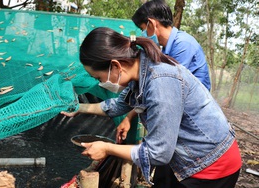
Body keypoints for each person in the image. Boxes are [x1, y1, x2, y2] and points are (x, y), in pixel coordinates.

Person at [61, 27, 241, 188]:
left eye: (99, 78)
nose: (100, 83)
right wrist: (80, 108)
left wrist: (107, 148)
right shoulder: (140, 73)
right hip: (180, 156)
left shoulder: (160, 83)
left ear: (116, 66)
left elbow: (158, 153)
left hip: (211, 164)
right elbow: (116, 105)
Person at [117, 1, 212, 186]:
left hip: (192, 116)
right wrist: (129, 116)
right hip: (179, 112)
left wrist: (129, 116)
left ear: (152, 24)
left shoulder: (182, 45)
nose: (143, 34)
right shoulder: (166, 48)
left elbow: (168, 90)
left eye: (143, 28)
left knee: (167, 162)